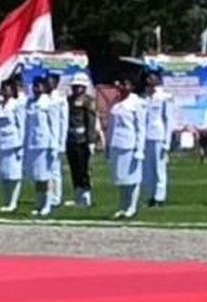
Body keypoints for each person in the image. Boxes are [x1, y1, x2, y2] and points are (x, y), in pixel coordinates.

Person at [107, 77, 147, 219]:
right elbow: (111, 127)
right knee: (120, 179)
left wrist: (139, 149)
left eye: (125, 84)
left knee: (132, 178)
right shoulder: (116, 104)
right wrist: (108, 145)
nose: (122, 86)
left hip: (130, 145)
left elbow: (140, 128)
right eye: (121, 83)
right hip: (116, 144)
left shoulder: (137, 103)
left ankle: (132, 207)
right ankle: (122, 206)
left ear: (132, 86)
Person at [0, 76, 26, 213]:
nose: (5, 90)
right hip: (0, 143)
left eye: (8, 87)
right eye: (3, 88)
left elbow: (21, 125)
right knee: (3, 175)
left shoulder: (17, 105)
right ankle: (6, 201)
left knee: (14, 175)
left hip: (13, 143)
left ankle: (13, 202)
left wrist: (21, 146)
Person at [23, 76, 57, 217]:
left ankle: (48, 204)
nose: (36, 89)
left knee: (45, 176)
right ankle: (39, 203)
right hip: (32, 144)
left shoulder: (48, 103)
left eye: (39, 86)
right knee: (37, 177)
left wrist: (54, 146)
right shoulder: (30, 103)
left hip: (45, 143)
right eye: (34, 86)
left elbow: (54, 125)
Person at [142, 68, 176, 207]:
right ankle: (150, 195)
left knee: (159, 168)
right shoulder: (145, 97)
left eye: (152, 76)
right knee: (148, 169)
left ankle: (159, 197)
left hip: (159, 135)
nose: (150, 79)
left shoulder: (165, 96)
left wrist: (167, 141)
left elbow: (168, 119)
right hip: (146, 136)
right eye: (148, 77)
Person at [66, 72, 100, 207]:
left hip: (82, 139)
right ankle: (78, 195)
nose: (76, 89)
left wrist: (91, 141)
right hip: (71, 138)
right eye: (74, 86)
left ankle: (86, 196)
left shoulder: (88, 101)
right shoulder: (69, 100)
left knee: (83, 169)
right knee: (74, 168)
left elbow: (91, 121)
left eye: (79, 86)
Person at [46, 73, 69, 209]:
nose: (49, 84)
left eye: (51, 82)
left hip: (55, 139)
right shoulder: (44, 98)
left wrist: (61, 142)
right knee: (45, 170)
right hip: (44, 139)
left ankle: (56, 197)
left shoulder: (60, 99)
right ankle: (48, 194)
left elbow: (63, 121)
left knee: (55, 170)